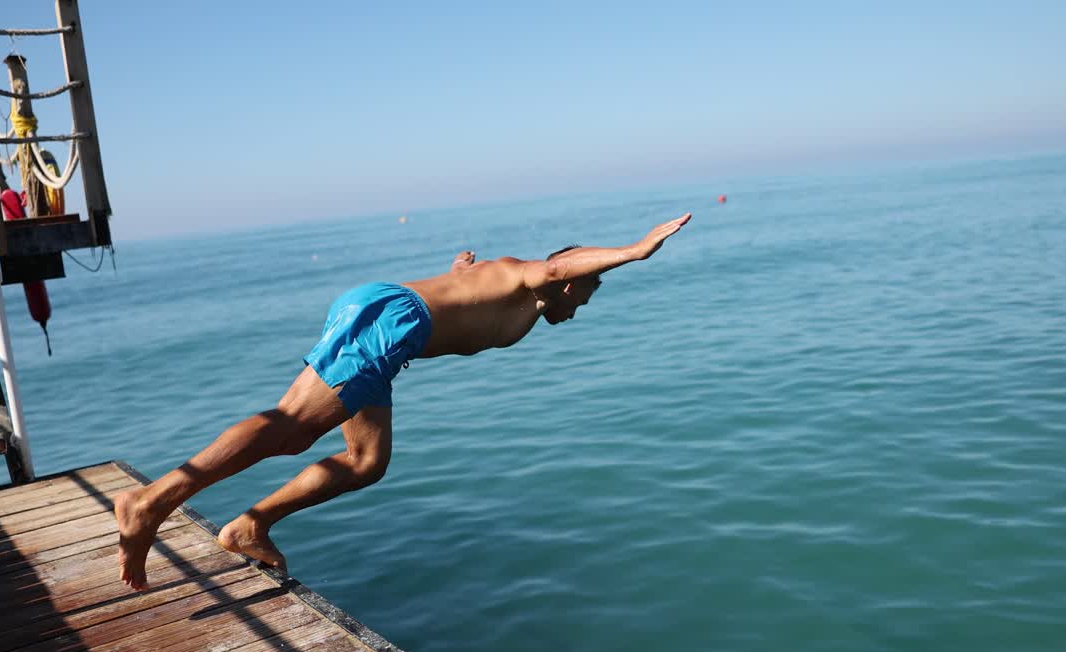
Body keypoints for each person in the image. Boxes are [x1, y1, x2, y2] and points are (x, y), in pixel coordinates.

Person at [115, 212, 692, 590]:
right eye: (583, 299)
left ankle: (250, 526)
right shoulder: (538, 278)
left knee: (366, 461)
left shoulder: (514, 285)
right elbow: (560, 264)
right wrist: (635, 250)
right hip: (394, 321)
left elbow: (463, 295)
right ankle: (152, 501)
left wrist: (457, 271)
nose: (578, 310)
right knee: (292, 427)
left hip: (394, 326)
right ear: (569, 284)